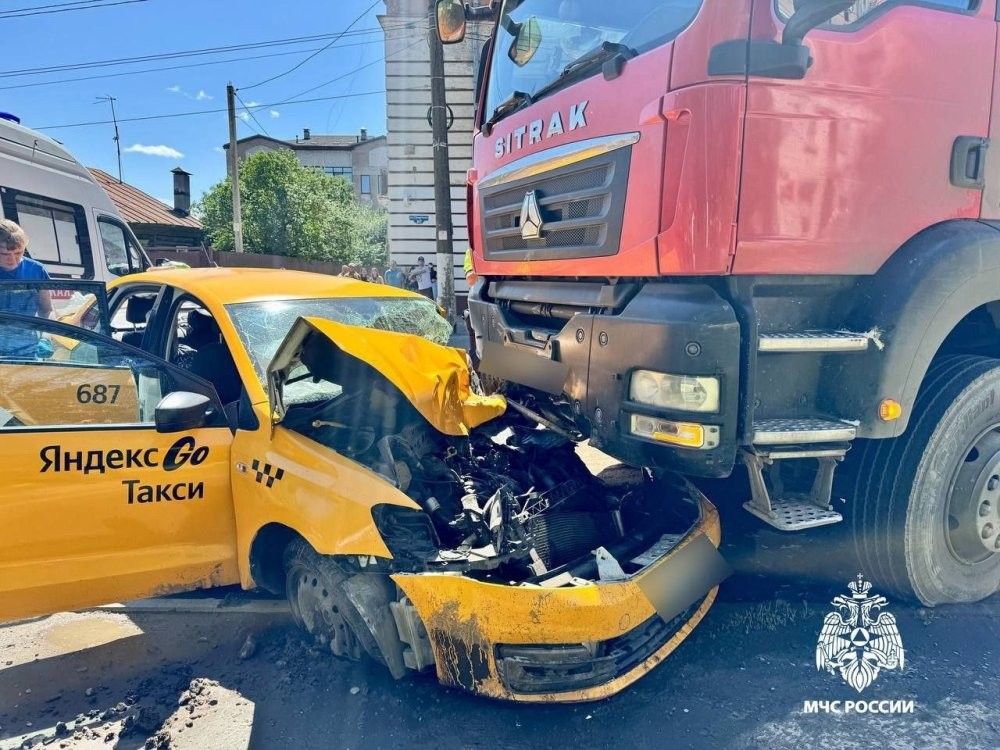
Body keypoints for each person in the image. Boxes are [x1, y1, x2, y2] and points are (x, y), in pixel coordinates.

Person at [0, 219, 53, 358]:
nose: (12, 259)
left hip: (26, 349)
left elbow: (47, 310)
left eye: (18, 253)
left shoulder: (36, 271)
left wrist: (46, 338)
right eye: (5, 254)